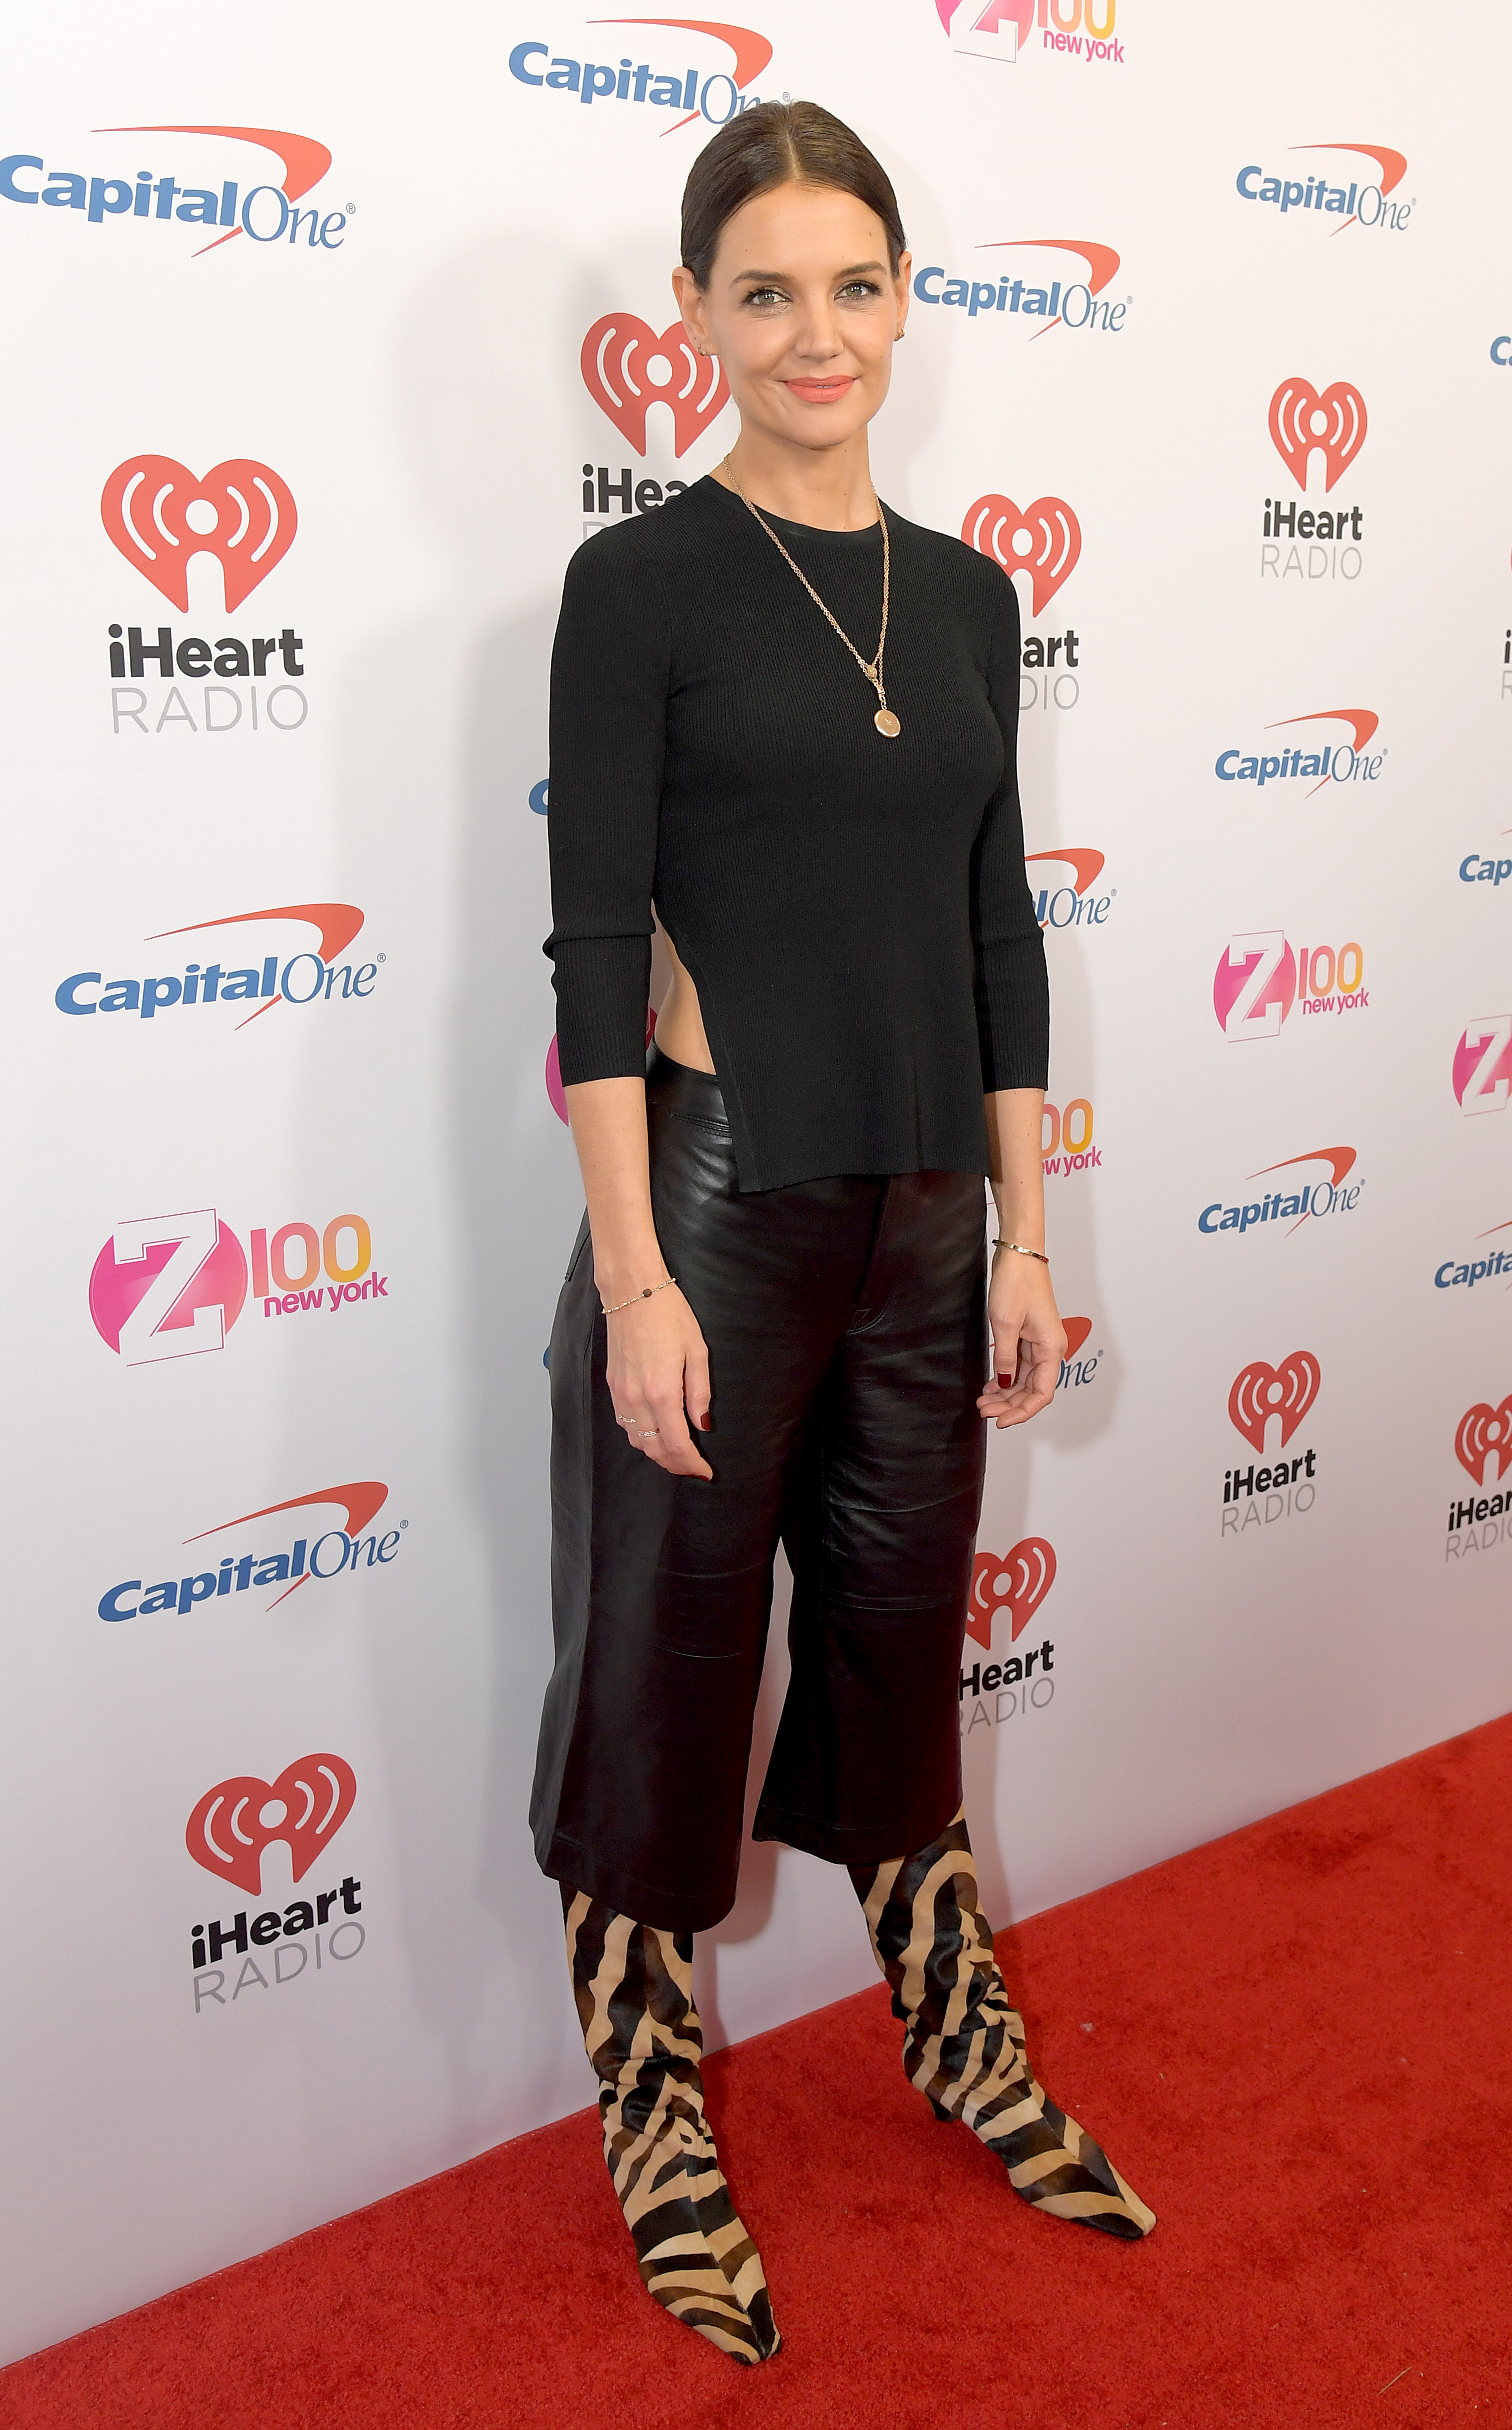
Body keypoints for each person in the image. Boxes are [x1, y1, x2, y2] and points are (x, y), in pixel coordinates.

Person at [532, 98, 1154, 2366]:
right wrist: (628, 1282)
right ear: (692, 319)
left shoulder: (971, 591)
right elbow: (594, 960)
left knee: (899, 1670)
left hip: (921, 1231)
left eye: (854, 284)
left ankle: (961, 2045)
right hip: (706, 1212)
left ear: (905, 301)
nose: (817, 332)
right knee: (662, 1685)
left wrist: (1019, 1233)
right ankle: (654, 2117)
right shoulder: (637, 587)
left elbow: (999, 934)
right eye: (764, 289)